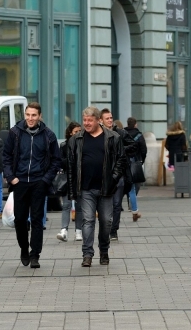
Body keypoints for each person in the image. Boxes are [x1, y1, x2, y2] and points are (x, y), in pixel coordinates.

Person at [1, 102, 61, 269]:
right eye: (28, 115)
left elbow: (56, 160)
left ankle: (35, 255)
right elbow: (6, 156)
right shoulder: (15, 133)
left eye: (34, 115)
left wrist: (45, 180)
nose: (30, 118)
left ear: (40, 116)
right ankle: (24, 248)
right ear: (24, 115)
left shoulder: (48, 135)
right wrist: (11, 177)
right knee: (19, 219)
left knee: (36, 220)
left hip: (38, 183)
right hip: (19, 182)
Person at [65, 106, 127, 267]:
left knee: (106, 221)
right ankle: (87, 254)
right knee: (88, 220)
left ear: (98, 120)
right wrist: (72, 191)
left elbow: (121, 160)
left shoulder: (113, 137)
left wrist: (113, 178)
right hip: (85, 188)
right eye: (84, 120)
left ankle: (104, 251)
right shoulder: (76, 140)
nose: (86, 123)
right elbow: (71, 166)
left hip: (106, 188)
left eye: (90, 120)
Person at [101, 109, 136, 240]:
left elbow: (133, 145)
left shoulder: (120, 133)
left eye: (111, 118)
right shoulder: (98, 134)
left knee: (116, 204)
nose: (110, 120)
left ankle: (113, 230)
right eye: (107, 118)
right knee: (105, 204)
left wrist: (120, 149)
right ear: (101, 120)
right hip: (103, 174)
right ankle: (105, 227)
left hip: (119, 173)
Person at [57, 121, 82, 242]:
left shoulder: (83, 144)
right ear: (70, 132)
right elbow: (60, 161)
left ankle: (78, 231)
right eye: (75, 132)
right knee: (66, 205)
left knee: (79, 206)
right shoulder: (64, 145)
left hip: (80, 178)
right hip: (67, 177)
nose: (78, 134)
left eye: (79, 131)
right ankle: (64, 230)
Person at [124, 117, 147, 216]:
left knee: (123, 186)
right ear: (135, 124)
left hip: (124, 161)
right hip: (135, 161)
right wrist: (141, 160)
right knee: (134, 185)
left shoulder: (122, 133)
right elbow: (144, 149)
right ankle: (133, 207)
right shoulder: (139, 135)